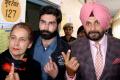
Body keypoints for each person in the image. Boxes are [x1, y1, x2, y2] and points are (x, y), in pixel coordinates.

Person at [62, 2, 120, 80]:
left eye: (97, 22)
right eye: (88, 23)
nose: (92, 28)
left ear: (104, 23)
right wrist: (70, 74)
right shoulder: (73, 47)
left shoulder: (118, 45)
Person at [31, 6, 70, 80]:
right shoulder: (30, 38)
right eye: (43, 22)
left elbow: (69, 76)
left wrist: (56, 76)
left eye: (51, 23)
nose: (46, 27)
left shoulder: (66, 48)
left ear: (58, 26)